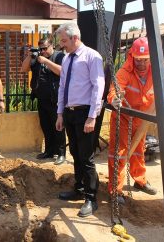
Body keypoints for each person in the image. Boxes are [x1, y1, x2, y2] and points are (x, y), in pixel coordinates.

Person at [55, 21, 104, 217]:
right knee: (75, 152)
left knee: (86, 157)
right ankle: (79, 189)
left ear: (75, 38)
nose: (62, 45)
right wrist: (60, 113)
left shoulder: (92, 56)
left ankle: (91, 198)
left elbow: (98, 87)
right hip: (69, 113)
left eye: (64, 41)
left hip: (85, 113)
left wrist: (92, 117)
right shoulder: (66, 59)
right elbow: (62, 87)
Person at [107, 37, 157, 205]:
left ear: (150, 58)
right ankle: (115, 189)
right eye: (138, 60)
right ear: (132, 57)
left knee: (138, 151)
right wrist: (115, 98)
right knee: (119, 154)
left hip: (141, 120)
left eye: (145, 60)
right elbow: (116, 88)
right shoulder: (125, 72)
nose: (141, 64)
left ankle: (140, 180)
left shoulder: (155, 73)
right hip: (123, 119)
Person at [21, 37, 66, 165]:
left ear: (52, 46)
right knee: (46, 126)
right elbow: (23, 69)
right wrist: (30, 56)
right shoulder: (36, 57)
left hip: (56, 99)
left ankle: (61, 153)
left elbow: (62, 72)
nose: (43, 51)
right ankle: (49, 151)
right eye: (41, 49)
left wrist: (46, 61)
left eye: (45, 48)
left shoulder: (59, 56)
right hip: (42, 98)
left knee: (58, 127)